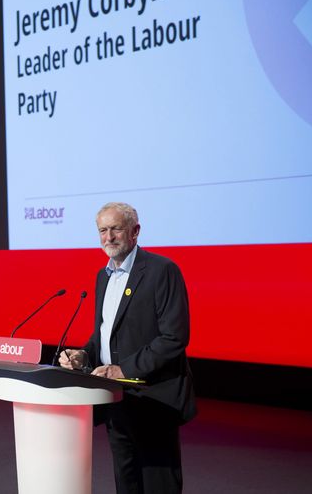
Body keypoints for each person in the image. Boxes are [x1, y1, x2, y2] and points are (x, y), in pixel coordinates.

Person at [59, 202, 196, 494]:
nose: (108, 237)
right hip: (116, 400)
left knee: (159, 485)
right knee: (126, 483)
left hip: (153, 399)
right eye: (102, 231)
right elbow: (104, 333)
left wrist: (124, 370)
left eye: (115, 229)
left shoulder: (162, 270)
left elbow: (174, 337)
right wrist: (84, 355)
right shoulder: (103, 276)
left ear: (135, 232)